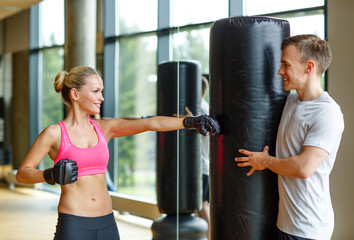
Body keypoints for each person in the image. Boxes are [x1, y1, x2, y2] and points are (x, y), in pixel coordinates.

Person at [15, 66, 220, 240]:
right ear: (75, 94)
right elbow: (22, 173)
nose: (101, 98)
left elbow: (150, 123)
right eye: (95, 91)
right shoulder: (54, 133)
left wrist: (189, 122)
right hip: (74, 224)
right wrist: (49, 175)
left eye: (101, 91)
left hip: (107, 224)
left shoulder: (104, 128)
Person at [235, 34, 344, 240]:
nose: (280, 71)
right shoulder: (292, 100)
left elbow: (304, 168)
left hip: (308, 227)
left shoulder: (327, 113)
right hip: (285, 222)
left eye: (286, 64)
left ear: (309, 67)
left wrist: (265, 161)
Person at [185, 76, 211, 239]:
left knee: (202, 207)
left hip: (201, 166)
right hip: (202, 166)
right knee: (200, 207)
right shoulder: (204, 107)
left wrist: (190, 121)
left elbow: (205, 133)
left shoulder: (200, 109)